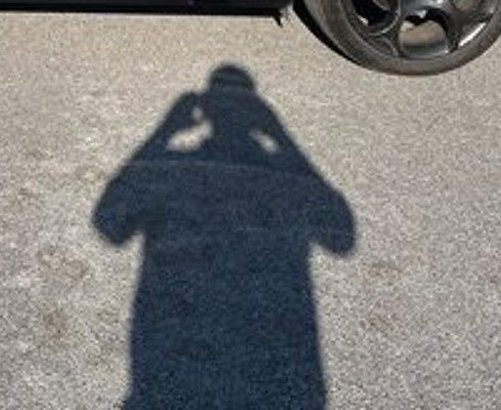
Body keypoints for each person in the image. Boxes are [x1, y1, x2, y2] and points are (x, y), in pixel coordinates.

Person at [94, 65, 356, 409]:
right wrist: (283, 138)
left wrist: (166, 130)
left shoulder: (176, 170)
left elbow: (110, 224)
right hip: (275, 366)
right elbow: (341, 237)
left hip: (171, 361)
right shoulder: (278, 177)